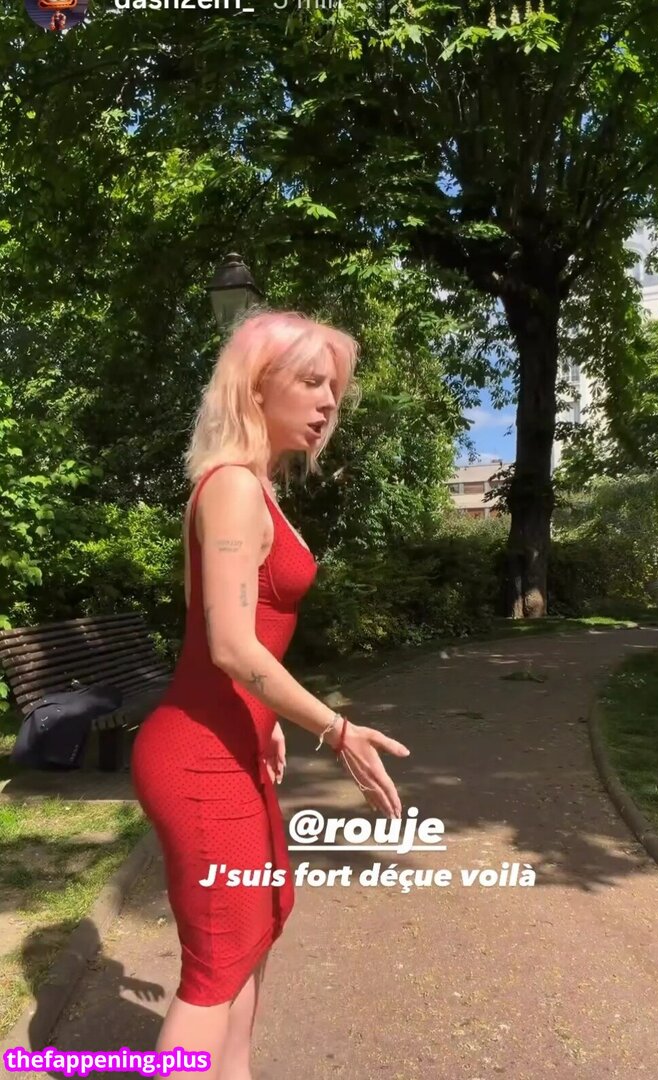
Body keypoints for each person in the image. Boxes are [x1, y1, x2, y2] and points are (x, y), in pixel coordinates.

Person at [131, 308, 410, 1080]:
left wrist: (269, 718)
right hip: (197, 758)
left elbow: (236, 633)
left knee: (255, 932)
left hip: (236, 744)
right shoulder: (231, 487)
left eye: (334, 388)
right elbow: (228, 644)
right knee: (216, 964)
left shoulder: (255, 486)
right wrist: (336, 729)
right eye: (312, 382)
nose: (328, 402)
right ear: (256, 386)